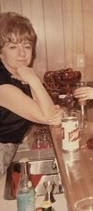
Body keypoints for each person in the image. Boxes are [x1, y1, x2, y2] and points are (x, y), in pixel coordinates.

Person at [0, 12, 61, 175]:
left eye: (26, 46)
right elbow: (48, 116)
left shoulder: (19, 74)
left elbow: (50, 113)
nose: (22, 53)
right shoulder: (3, 83)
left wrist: (52, 112)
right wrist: (33, 79)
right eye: (13, 47)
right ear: (1, 52)